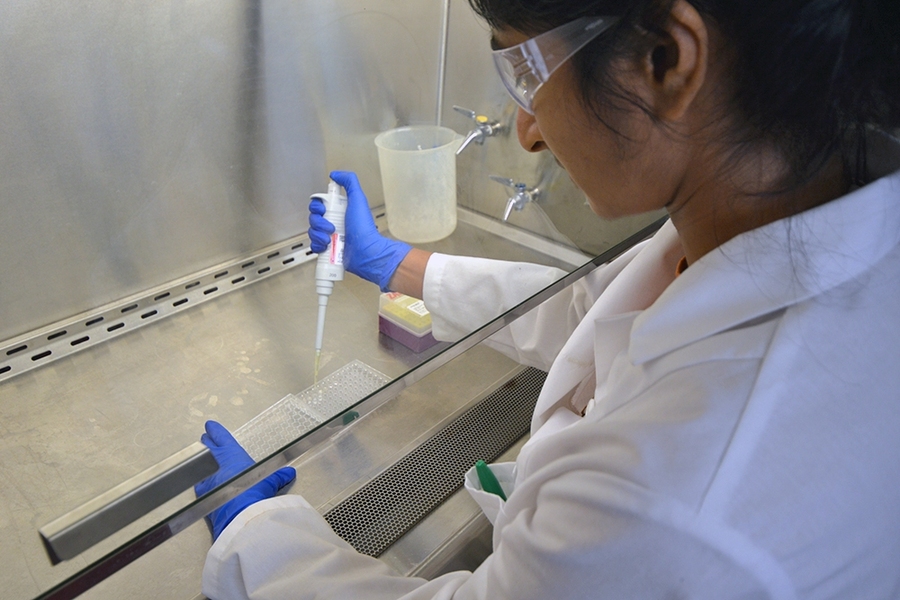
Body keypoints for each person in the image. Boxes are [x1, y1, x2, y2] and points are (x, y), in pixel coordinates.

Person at [197, 0, 900, 597]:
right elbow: (597, 311)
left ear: (667, 60)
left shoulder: (674, 502)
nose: (526, 131)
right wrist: (394, 265)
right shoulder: (801, 217)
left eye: (525, 70)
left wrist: (257, 540)